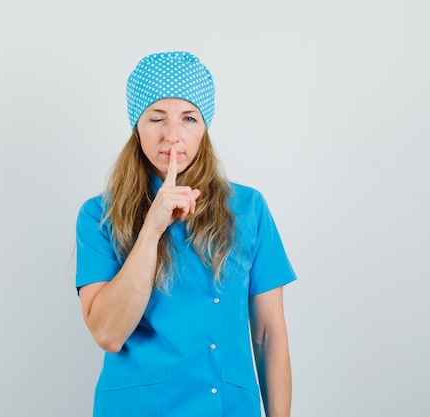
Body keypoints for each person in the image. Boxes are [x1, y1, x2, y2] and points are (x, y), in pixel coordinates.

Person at [75, 51, 297, 417]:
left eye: (189, 119)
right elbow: (108, 334)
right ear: (137, 126)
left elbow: (268, 334)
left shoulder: (248, 208)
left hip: (228, 407)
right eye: (156, 118)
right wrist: (152, 228)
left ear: (205, 127)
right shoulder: (99, 215)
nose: (172, 136)